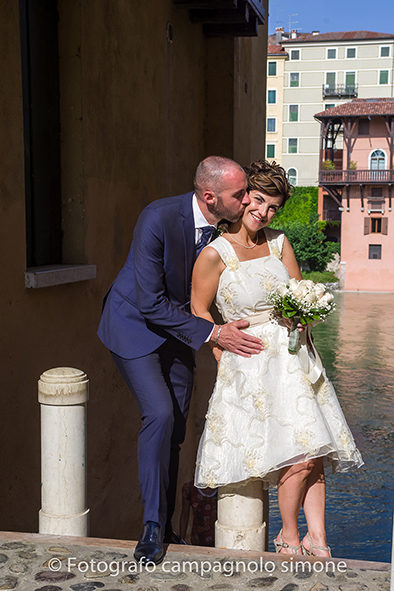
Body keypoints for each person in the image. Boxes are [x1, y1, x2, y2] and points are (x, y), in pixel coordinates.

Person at [191, 159, 363, 557]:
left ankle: (317, 538)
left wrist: (303, 318)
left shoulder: (280, 243)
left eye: (273, 208)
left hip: (294, 356)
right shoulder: (214, 255)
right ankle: (287, 533)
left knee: (313, 448)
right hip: (248, 362)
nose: (263, 213)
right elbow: (199, 311)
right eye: (258, 201)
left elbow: (301, 292)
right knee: (289, 452)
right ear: (244, 196)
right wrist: (221, 353)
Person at [98, 156, 264, 564]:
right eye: (239, 194)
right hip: (135, 326)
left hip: (178, 333)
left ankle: (168, 522)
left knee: (175, 427)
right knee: (158, 413)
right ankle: (152, 527)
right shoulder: (157, 218)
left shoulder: (228, 225)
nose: (246, 202)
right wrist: (214, 333)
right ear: (210, 197)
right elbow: (151, 303)